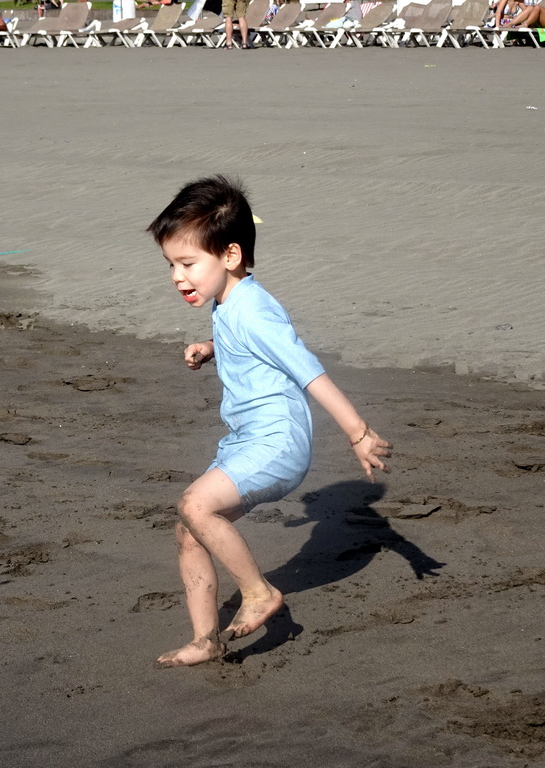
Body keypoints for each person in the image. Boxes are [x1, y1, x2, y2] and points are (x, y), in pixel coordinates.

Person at [147, 176, 393, 668]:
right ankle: (205, 640)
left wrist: (358, 433)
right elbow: (256, 355)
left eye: (188, 263)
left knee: (196, 504)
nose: (177, 276)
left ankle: (258, 593)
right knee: (189, 531)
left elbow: (308, 372)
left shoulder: (254, 313)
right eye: (171, 264)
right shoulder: (231, 304)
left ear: (231, 255)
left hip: (276, 442)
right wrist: (214, 349)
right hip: (247, 439)